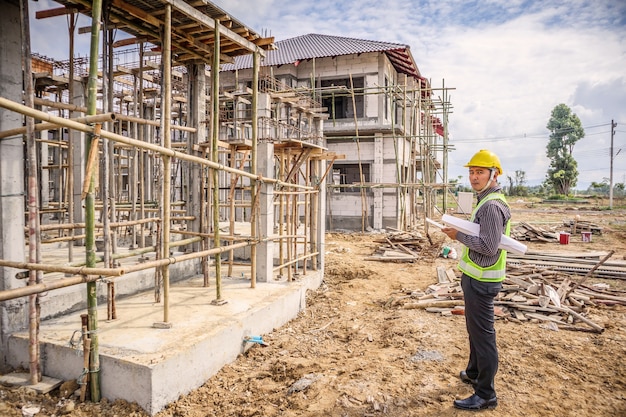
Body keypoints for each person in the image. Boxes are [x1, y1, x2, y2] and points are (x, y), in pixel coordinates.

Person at [441, 149, 511, 411]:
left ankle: (486, 394)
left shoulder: (492, 205)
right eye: (471, 171)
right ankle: (473, 373)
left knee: (483, 337)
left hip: (482, 282)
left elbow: (489, 246)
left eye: (480, 172)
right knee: (474, 332)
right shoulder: (485, 200)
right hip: (475, 277)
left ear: (494, 175)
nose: (474, 177)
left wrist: (456, 235)